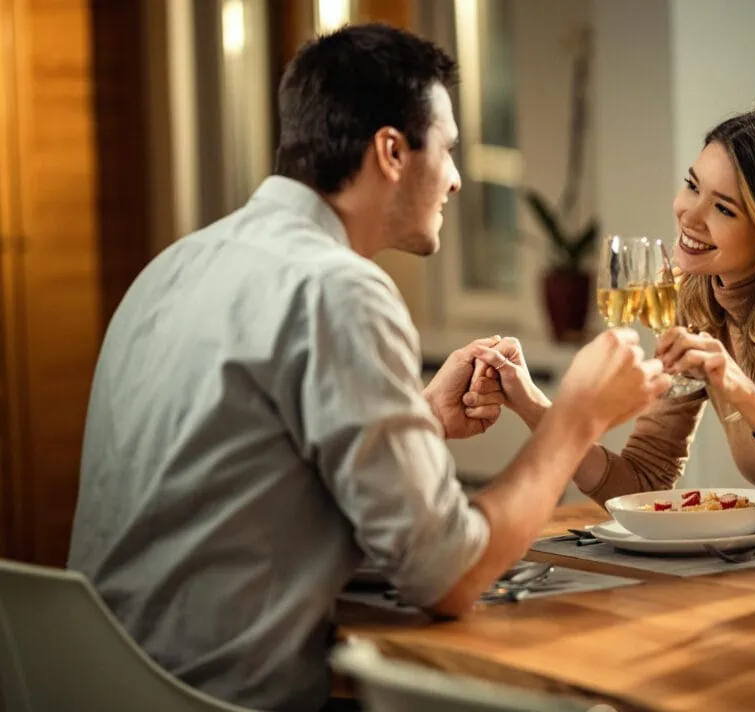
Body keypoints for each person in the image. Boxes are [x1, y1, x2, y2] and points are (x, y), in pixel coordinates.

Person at [67, 24, 668, 712]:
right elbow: (449, 577)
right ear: (392, 151)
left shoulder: (176, 264)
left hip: (94, 685)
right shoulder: (338, 289)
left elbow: (236, 468)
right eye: (447, 149)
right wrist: (574, 420)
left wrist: (420, 419)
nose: (456, 179)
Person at [473, 105, 755, 537]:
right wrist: (532, 404)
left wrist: (748, 398)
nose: (689, 215)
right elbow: (643, 481)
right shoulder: (698, 298)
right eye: (693, 186)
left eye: (724, 209)